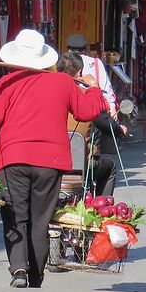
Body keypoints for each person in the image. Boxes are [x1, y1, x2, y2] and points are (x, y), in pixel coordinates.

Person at [0, 29, 107, 289]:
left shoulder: (7, 83)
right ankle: (36, 275)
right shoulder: (63, 82)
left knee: (15, 216)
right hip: (49, 162)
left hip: (13, 159)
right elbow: (88, 111)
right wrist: (94, 90)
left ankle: (19, 268)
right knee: (40, 220)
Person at [56, 52, 119, 197]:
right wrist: (119, 129)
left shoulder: (46, 93)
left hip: (51, 159)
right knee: (110, 167)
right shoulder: (86, 96)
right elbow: (105, 122)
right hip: (80, 163)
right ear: (80, 73)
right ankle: (101, 208)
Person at [65, 33, 117, 118]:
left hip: (69, 110)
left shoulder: (64, 62)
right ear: (85, 49)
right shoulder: (96, 63)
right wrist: (112, 106)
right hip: (93, 108)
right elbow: (106, 87)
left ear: (69, 50)